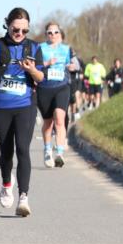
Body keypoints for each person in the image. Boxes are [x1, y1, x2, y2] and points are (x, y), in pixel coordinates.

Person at [0, 8, 45, 216]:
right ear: (7, 24)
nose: (20, 34)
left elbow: (40, 77)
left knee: (23, 149)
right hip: (2, 106)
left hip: (26, 105)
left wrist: (31, 70)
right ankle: (6, 184)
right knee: (6, 152)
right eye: (16, 29)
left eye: (24, 31)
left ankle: (23, 197)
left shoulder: (33, 47)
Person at [35, 23, 78, 168]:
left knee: (60, 119)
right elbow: (35, 67)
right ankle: (47, 150)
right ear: (46, 34)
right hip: (44, 87)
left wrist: (72, 66)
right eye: (49, 32)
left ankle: (59, 153)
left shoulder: (66, 49)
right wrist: (47, 63)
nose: (53, 35)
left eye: (55, 32)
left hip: (62, 87)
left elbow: (75, 64)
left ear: (60, 33)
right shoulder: (40, 48)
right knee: (48, 123)